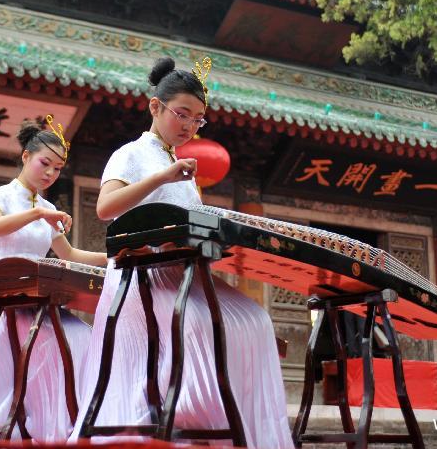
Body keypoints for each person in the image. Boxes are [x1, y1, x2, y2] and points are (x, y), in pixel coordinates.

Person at [72, 57, 293, 448]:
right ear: (155, 107)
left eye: (198, 119)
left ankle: (231, 430)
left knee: (256, 319)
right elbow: (106, 209)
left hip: (182, 273)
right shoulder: (132, 154)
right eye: (182, 114)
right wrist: (161, 176)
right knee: (197, 324)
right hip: (141, 275)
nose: (190, 125)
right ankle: (185, 419)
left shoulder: (180, 168)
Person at [0, 117, 106, 442]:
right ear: (25, 156)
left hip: (32, 301)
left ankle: (54, 427)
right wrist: (38, 214)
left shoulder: (47, 207)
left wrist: (117, 256)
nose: (50, 173)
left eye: (57, 168)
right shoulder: (1, 195)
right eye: (44, 163)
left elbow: (71, 256)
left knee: (81, 340)